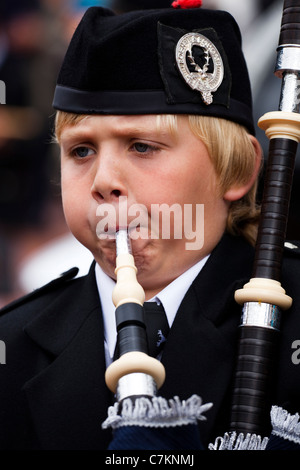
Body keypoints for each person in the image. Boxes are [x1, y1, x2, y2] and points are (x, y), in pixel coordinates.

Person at [0, 1, 300, 451]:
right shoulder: (12, 345)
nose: (103, 182)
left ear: (237, 172)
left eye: (142, 146)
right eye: (81, 151)